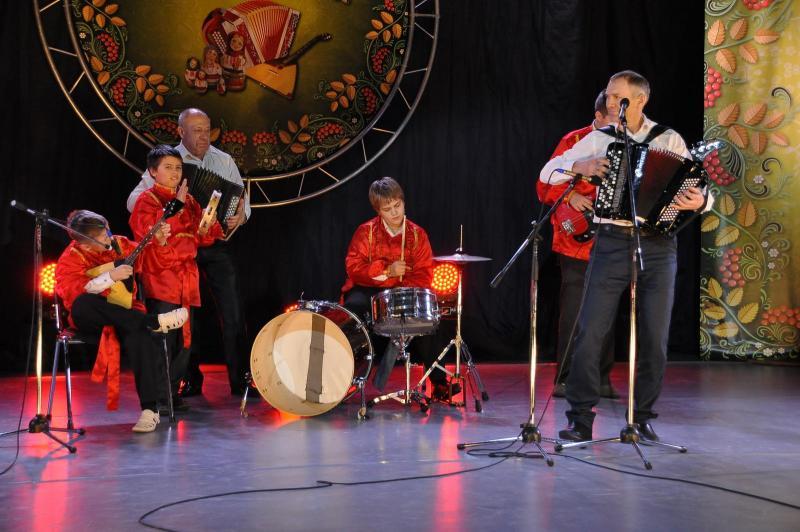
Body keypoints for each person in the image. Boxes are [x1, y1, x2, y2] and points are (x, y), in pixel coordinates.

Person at [539, 70, 709, 442]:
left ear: (641, 100)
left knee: (654, 337)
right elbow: (548, 173)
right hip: (611, 241)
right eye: (610, 95)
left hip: (658, 244)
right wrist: (579, 167)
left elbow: (698, 190)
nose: (611, 101)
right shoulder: (599, 139)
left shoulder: (667, 139)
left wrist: (700, 201)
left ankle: (642, 417)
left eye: (619, 97)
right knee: (590, 332)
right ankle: (580, 418)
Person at [126, 108, 250, 396]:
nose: (204, 136)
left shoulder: (224, 160)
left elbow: (241, 199)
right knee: (185, 316)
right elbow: (134, 201)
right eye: (197, 130)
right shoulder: (169, 160)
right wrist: (163, 213)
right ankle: (188, 380)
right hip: (179, 251)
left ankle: (240, 379)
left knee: (232, 310)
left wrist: (239, 216)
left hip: (213, 242)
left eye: (207, 129)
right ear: (181, 132)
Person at [55, 210, 187, 432]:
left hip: (127, 315)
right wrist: (110, 277)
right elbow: (70, 292)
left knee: (140, 334)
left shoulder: (120, 244)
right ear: (85, 243)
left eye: (108, 231)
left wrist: (159, 242)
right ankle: (151, 321)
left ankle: (150, 410)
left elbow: (153, 261)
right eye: (102, 236)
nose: (109, 237)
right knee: (82, 304)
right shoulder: (71, 257)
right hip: (94, 322)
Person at [341, 177, 456, 400]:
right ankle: (345, 379)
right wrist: (387, 271)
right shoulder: (366, 232)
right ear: (378, 211)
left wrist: (402, 290)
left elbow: (424, 273)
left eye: (397, 205)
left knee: (429, 319)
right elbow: (353, 267)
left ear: (403, 202)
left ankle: (439, 383)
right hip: (370, 289)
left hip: (405, 290)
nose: (394, 212)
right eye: (387, 209)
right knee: (353, 308)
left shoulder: (417, 235)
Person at [129, 145, 224, 410]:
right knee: (163, 338)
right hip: (161, 276)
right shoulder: (147, 200)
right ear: (152, 171)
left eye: (178, 168)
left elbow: (202, 238)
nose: (174, 173)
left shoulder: (190, 200)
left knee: (184, 340)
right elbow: (150, 234)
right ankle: (159, 396)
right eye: (168, 167)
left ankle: (172, 392)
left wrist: (208, 223)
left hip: (186, 277)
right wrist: (175, 206)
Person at [537, 89, 618, 400]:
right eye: (612, 118)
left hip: (610, 236)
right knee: (574, 310)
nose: (618, 124)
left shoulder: (625, 142)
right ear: (598, 116)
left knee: (608, 309)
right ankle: (565, 378)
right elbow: (543, 184)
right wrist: (570, 196)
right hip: (574, 239)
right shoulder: (574, 140)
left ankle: (601, 379)